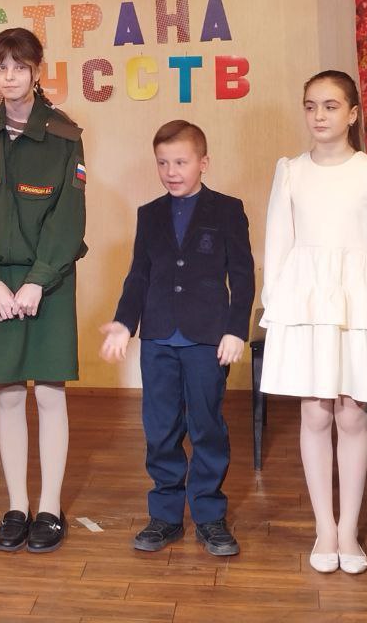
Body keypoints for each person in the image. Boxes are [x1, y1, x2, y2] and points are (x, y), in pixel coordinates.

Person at [259, 70, 367, 575]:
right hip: (306, 305)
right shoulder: (290, 171)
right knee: (315, 415)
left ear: (352, 113)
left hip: (356, 305)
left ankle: (349, 531)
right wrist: (277, 311)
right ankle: (325, 527)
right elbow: (278, 245)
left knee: (351, 415)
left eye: (330, 106)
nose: (319, 116)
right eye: (310, 106)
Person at [0, 26, 86, 554]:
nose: (9, 77)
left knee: (50, 394)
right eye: (1, 67)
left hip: (48, 283)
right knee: (8, 395)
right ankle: (16, 506)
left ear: (36, 72)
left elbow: (68, 218)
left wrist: (36, 281)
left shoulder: (64, 137)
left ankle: (49, 508)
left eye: (20, 67)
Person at [99, 120, 254, 557]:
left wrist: (235, 329)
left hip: (208, 340)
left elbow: (242, 276)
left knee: (207, 427)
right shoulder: (149, 214)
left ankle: (209, 516)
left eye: (181, 162)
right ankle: (165, 516)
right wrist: (124, 323)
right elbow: (138, 275)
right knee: (161, 428)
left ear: (203, 163)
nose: (171, 171)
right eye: (163, 163)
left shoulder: (227, 210)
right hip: (159, 341)